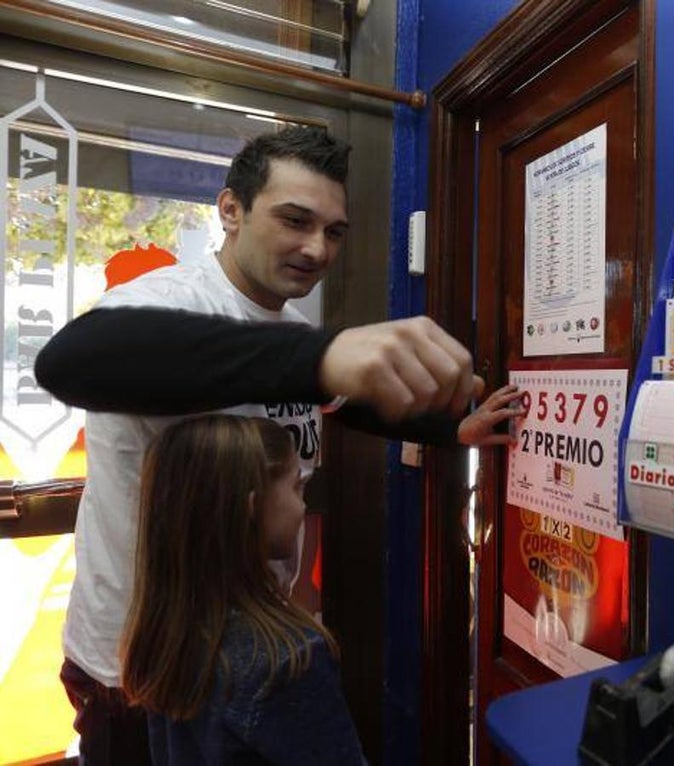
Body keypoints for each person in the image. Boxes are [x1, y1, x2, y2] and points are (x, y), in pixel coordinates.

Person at [36, 126, 519, 764]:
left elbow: (348, 406)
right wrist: (322, 354)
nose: (316, 248)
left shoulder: (292, 332)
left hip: (245, 658)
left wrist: (446, 429)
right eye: (294, 220)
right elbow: (70, 360)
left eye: (334, 231)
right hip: (139, 669)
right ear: (230, 210)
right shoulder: (166, 300)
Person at [122, 415, 365, 765]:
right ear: (252, 507)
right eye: (297, 487)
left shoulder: (165, 639)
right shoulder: (289, 660)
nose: (303, 505)